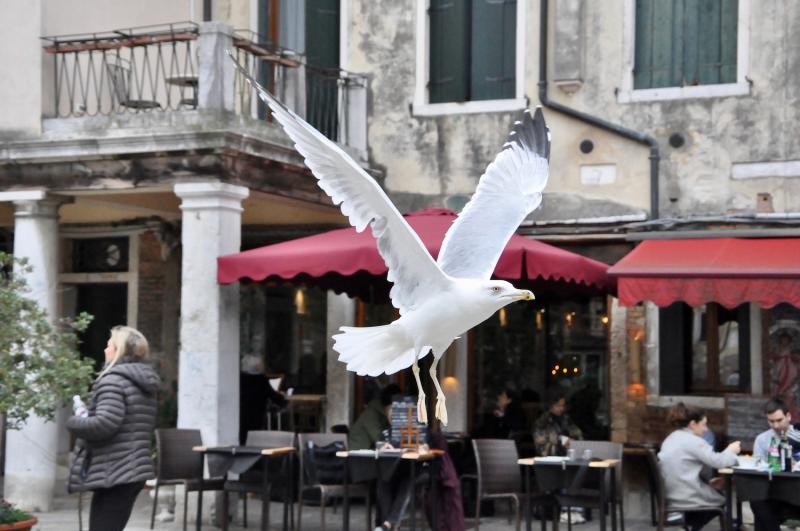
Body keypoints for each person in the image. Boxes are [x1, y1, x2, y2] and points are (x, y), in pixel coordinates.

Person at [67, 326, 160, 531]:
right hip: (130, 469)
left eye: (109, 345)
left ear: (118, 350)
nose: (105, 349)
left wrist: (75, 421)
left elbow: (104, 424)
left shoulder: (113, 381)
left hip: (116, 469)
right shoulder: (142, 381)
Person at [658, 403, 740, 531]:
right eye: (704, 424)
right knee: (721, 501)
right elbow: (719, 461)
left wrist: (709, 483)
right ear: (692, 424)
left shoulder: (671, 438)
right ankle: (692, 525)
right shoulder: (693, 441)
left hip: (672, 495)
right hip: (687, 496)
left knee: (715, 494)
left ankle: (688, 525)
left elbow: (686, 468)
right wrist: (731, 450)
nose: (706, 429)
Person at [749, 397, 800, 531]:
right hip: (776, 492)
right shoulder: (762, 439)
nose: (775, 426)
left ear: (788, 416)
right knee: (756, 500)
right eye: (771, 421)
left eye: (779, 420)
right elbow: (757, 467)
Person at [239, 353, 286, 444]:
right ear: (258, 366)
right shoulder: (261, 380)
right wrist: (283, 398)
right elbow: (275, 397)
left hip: (240, 415)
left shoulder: (239, 378)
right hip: (256, 416)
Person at [349, 383, 401, 451]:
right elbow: (379, 438)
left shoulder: (382, 412)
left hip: (372, 449)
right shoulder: (371, 413)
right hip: (358, 451)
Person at [533, 389, 583, 457]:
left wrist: (573, 442)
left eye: (563, 406)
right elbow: (541, 449)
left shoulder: (567, 420)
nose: (561, 408)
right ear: (550, 406)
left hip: (570, 458)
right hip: (550, 463)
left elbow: (579, 436)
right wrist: (562, 443)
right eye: (558, 406)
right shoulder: (542, 423)